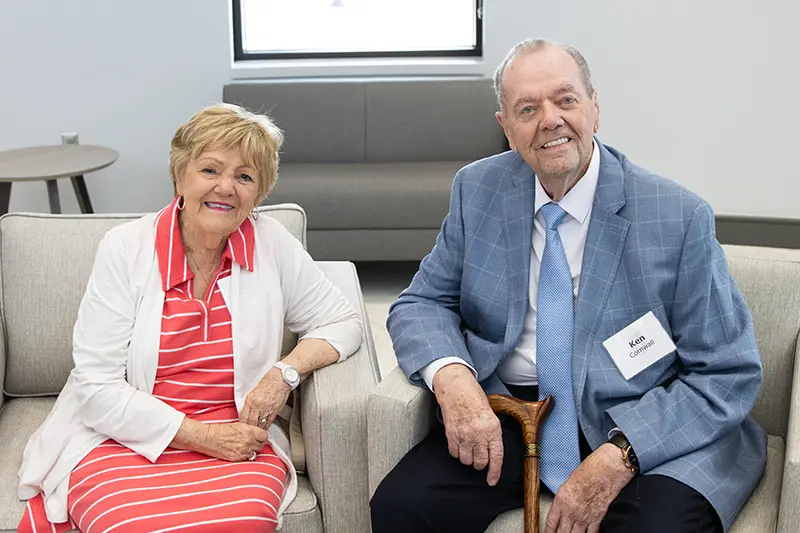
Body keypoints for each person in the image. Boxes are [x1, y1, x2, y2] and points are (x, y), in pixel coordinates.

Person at [370, 38, 766, 533]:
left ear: (595, 107)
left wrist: (622, 454)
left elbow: (726, 373)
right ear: (507, 128)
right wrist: (453, 379)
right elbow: (422, 302)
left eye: (566, 99)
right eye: (528, 108)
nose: (550, 119)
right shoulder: (478, 189)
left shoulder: (678, 216)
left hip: (639, 416)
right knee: (404, 507)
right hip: (513, 410)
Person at [17, 103, 362, 532]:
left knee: (240, 524)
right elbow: (94, 387)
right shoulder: (125, 248)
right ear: (179, 175)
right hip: (127, 437)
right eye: (210, 170)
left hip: (239, 441)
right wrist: (202, 437)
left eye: (245, 176)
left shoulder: (273, 243)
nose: (226, 188)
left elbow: (343, 321)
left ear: (260, 191)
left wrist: (284, 374)